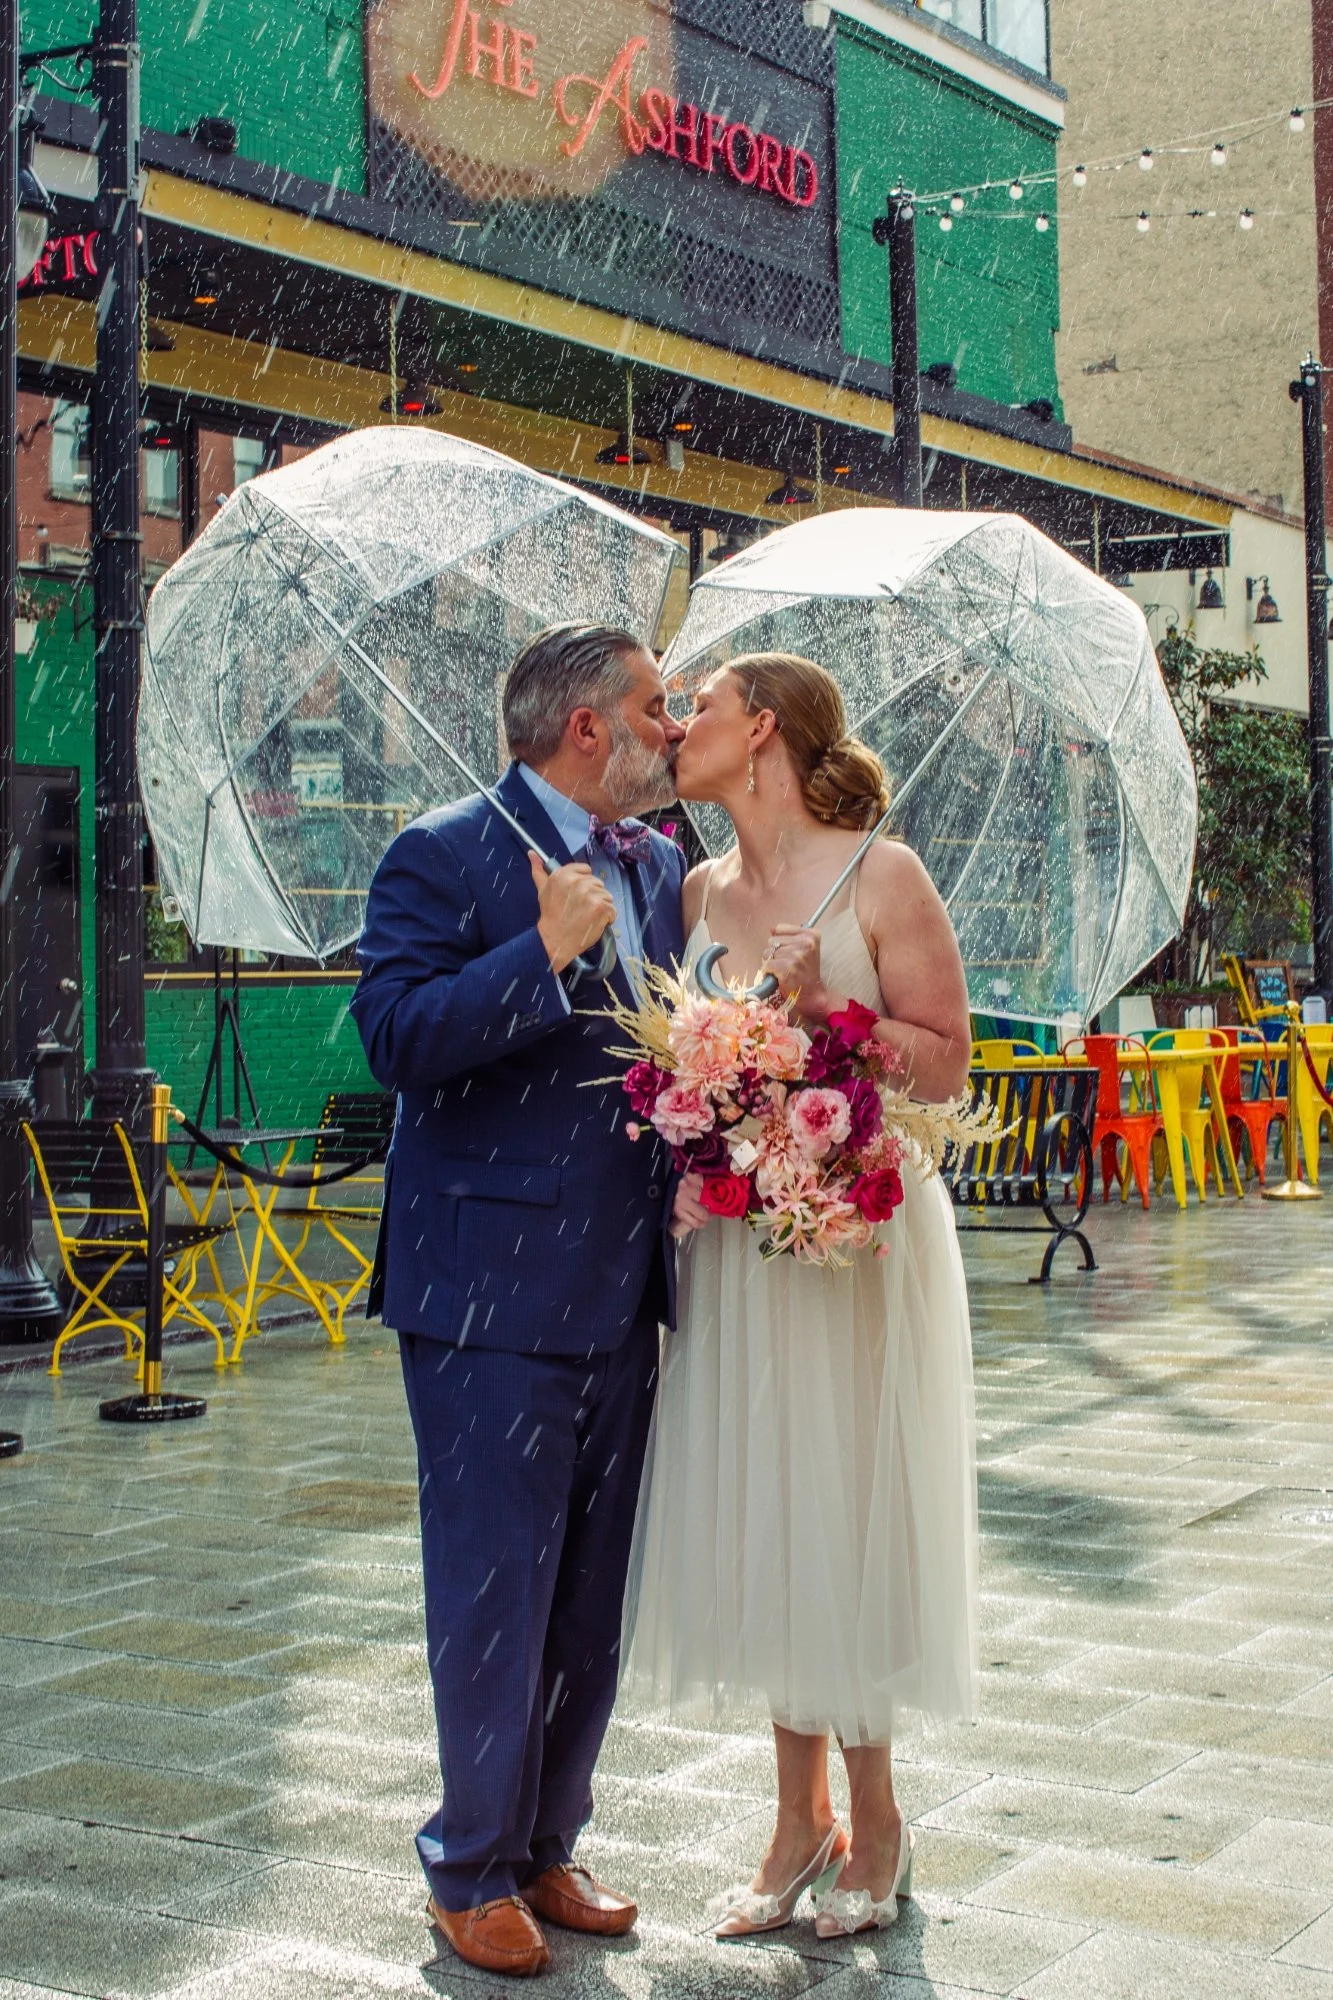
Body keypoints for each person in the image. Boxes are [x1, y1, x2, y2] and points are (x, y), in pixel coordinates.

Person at [622, 651, 979, 1941]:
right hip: (747, 1245)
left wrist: (831, 1016)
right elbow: (690, 1066)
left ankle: (876, 1816)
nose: (677, 726)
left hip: (864, 1239)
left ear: (759, 727)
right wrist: (702, 1112)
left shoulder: (882, 872)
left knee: (855, 1502)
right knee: (773, 1507)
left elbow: (947, 1062)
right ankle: (793, 1821)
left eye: (698, 706)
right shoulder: (694, 886)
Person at [351, 624, 688, 1978]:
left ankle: (549, 1839)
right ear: (588, 727)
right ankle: (470, 1864)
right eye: (660, 709)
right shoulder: (443, 850)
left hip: (625, 1289)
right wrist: (538, 955)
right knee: (496, 1591)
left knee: (589, 1597)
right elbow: (397, 1040)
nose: (678, 730)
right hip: (485, 1297)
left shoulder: (663, 866)